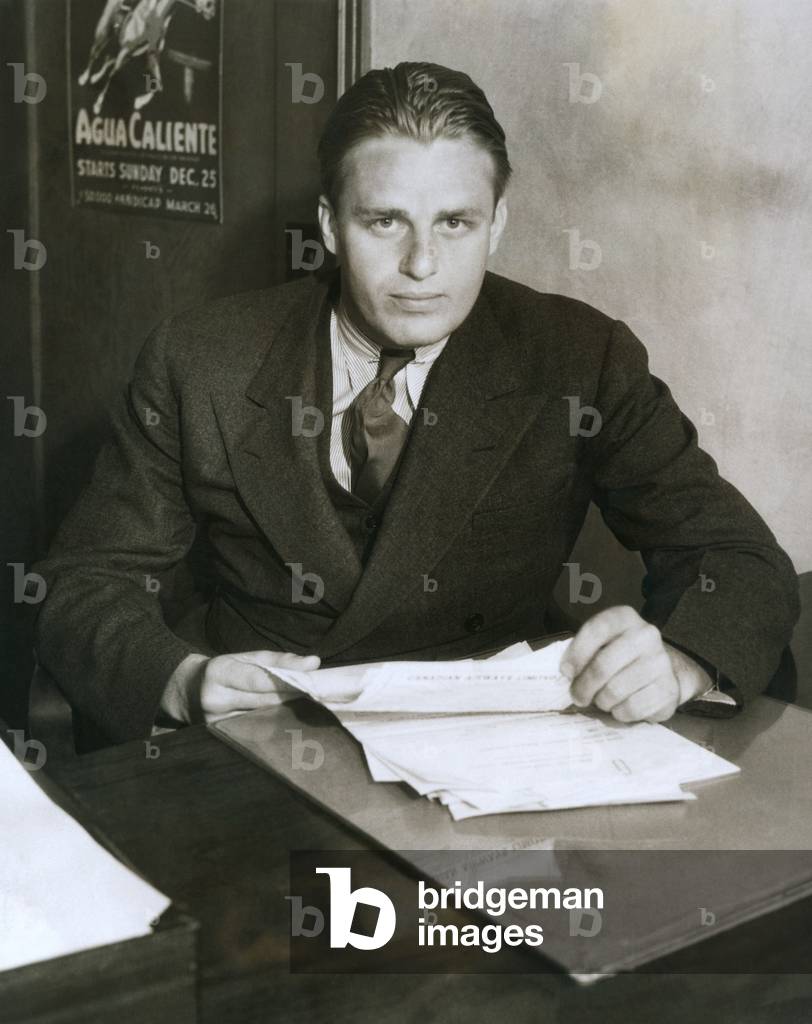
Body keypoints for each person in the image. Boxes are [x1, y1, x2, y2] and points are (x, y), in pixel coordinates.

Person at [33, 62, 799, 746]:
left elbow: (734, 557)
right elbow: (86, 580)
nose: (422, 266)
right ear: (332, 226)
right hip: (261, 742)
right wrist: (183, 679)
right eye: (384, 220)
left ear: (496, 223)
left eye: (456, 223)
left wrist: (682, 661)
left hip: (493, 750)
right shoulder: (201, 358)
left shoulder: (578, 358)